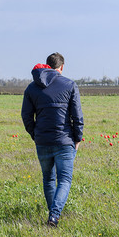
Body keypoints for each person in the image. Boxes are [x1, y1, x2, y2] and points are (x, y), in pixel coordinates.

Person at [21, 52, 84, 227]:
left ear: (47, 65)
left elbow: (26, 116)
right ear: (61, 67)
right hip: (65, 141)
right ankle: (54, 216)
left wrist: (36, 134)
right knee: (64, 180)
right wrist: (77, 138)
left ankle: (52, 215)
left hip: (42, 142)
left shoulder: (31, 88)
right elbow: (77, 117)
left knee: (48, 178)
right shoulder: (70, 85)